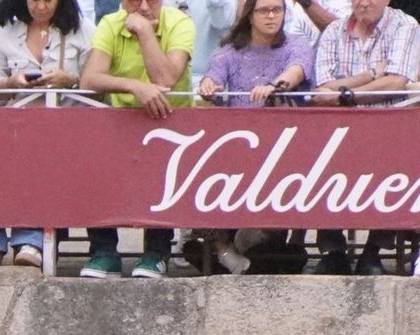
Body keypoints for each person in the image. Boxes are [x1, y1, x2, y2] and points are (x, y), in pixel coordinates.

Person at [0, 0, 92, 269]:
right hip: (16, 125)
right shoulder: (6, 30)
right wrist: (11, 83)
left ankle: (32, 240)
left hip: (65, 129)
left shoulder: (82, 30)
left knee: (41, 170)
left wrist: (68, 80)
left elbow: (96, 85)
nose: (40, 6)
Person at [78, 0, 195, 279]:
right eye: (134, 0)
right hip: (121, 122)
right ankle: (104, 252)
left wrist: (144, 32)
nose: (143, 6)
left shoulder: (179, 22)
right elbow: (89, 80)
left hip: (170, 121)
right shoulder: (110, 23)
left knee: (161, 183)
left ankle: (157, 253)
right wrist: (133, 86)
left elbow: (165, 77)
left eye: (151, 0)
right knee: (95, 167)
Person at [194, 0, 312, 274]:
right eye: (264, 10)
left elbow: (297, 68)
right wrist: (208, 85)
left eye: (277, 10)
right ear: (249, 15)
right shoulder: (229, 52)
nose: (271, 16)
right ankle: (222, 247)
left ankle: (266, 243)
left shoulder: (295, 43)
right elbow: (212, 76)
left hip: (284, 143)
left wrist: (274, 85)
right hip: (238, 143)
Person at [305, 0, 420, 275]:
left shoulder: (406, 25)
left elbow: (396, 81)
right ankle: (332, 251)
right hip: (339, 128)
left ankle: (374, 252)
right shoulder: (334, 30)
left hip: (391, 126)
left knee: (397, 171)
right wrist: (369, 75)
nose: (363, 2)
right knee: (315, 161)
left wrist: (345, 93)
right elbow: (322, 88)